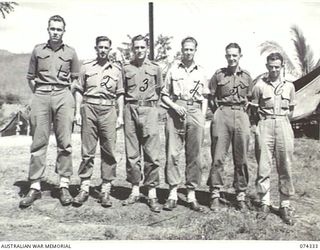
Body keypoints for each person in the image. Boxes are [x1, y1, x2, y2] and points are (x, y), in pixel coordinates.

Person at [20, 15, 80, 208]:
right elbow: (30, 77)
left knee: (65, 142)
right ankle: (35, 186)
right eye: (52, 29)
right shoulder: (38, 50)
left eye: (59, 29)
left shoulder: (71, 52)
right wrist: (40, 95)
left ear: (64, 31)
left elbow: (75, 80)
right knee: (38, 142)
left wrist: (64, 95)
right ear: (48, 30)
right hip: (41, 95)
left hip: (63, 95)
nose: (55, 32)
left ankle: (63, 185)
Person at [72, 36, 124, 207]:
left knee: (109, 150)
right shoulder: (86, 66)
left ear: (110, 49)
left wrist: (121, 115)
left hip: (109, 110)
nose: (103, 50)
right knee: (87, 150)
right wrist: (78, 112)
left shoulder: (117, 69)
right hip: (89, 108)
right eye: (100, 47)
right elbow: (79, 89)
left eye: (106, 47)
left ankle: (106, 189)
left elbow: (120, 94)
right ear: (95, 48)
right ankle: (84, 187)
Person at [161, 37, 209, 212]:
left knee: (194, 155)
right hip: (176, 111)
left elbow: (205, 97)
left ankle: (191, 194)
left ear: (196, 50)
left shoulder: (202, 72)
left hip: (195, 112)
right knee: (172, 153)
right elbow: (164, 94)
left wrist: (202, 118)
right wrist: (174, 106)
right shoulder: (173, 70)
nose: (188, 52)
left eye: (191, 49)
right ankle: (172, 193)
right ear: (181, 50)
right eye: (185, 49)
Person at [251, 52, 295, 225]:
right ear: (266, 66)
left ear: (282, 66)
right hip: (265, 124)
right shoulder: (259, 85)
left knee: (285, 165)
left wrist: (282, 121)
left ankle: (285, 204)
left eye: (277, 66)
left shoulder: (289, 86)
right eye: (271, 67)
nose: (274, 70)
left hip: (283, 124)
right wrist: (259, 127)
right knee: (263, 165)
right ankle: (265, 202)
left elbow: (291, 109)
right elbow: (254, 109)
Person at [207, 43, 253, 211]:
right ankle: (215, 193)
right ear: (225, 56)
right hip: (222, 114)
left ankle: (240, 194)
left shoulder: (247, 76)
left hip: (241, 114)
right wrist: (219, 112)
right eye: (229, 55)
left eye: (235, 55)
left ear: (240, 56)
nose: (231, 58)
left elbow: (250, 98)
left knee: (241, 158)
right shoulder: (218, 75)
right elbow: (211, 97)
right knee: (218, 156)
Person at [122, 35, 163, 213]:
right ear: (132, 49)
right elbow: (122, 91)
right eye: (136, 47)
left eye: (142, 47)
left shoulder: (155, 68)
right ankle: (135, 190)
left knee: (151, 153)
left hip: (150, 109)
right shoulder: (126, 68)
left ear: (147, 48)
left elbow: (160, 90)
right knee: (132, 153)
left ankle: (152, 193)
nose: (139, 50)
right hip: (130, 109)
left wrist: (153, 109)